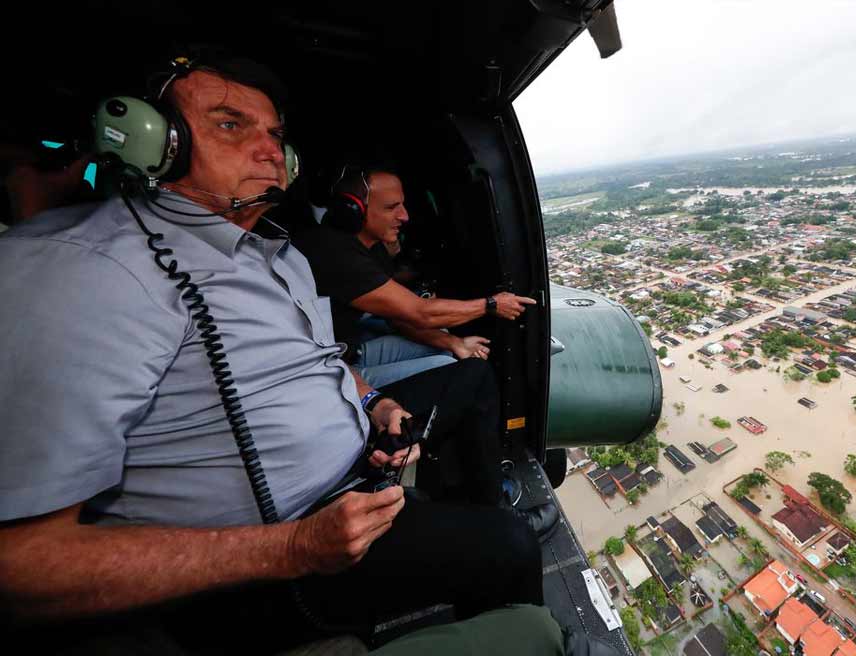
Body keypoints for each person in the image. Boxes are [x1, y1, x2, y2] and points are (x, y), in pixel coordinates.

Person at [0, 52, 573, 654]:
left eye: (274, 133)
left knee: (473, 413)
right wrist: (295, 547)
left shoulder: (275, 254)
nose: (270, 150)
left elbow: (321, 360)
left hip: (351, 485)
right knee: (508, 549)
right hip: (270, 556)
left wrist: (372, 400)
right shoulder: (78, 274)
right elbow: (20, 564)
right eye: (229, 124)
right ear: (154, 142)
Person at [292, 166, 536, 387]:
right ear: (352, 210)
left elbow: (399, 319)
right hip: (324, 372)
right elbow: (420, 312)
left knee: (447, 351)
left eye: (402, 205)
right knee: (452, 369)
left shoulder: (372, 248)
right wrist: (490, 305)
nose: (404, 216)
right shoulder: (333, 252)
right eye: (391, 208)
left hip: (348, 351)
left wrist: (456, 344)